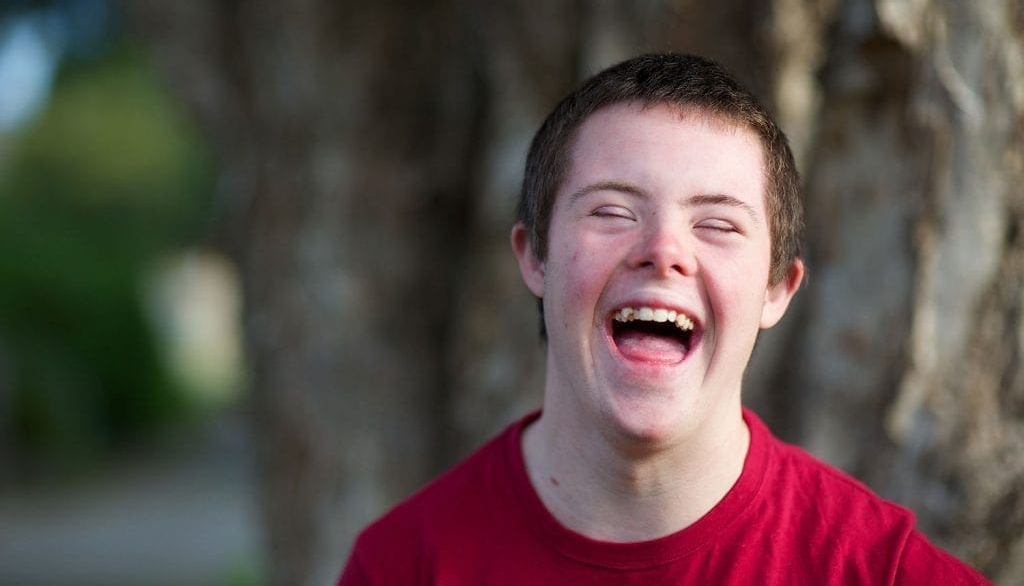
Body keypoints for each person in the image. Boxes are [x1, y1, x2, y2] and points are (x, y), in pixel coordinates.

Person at [337, 53, 991, 585]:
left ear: (776, 289)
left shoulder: (881, 572)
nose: (664, 250)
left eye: (717, 223)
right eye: (613, 211)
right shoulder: (403, 565)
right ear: (534, 255)